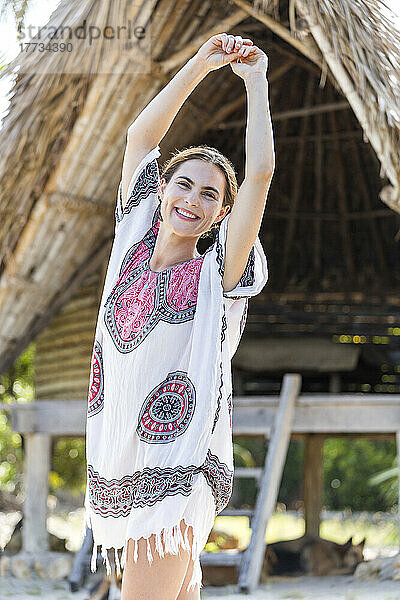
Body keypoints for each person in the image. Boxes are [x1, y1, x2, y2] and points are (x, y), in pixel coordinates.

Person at [82, 32, 275, 600]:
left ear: (220, 214)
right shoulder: (131, 241)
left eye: (210, 195)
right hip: (123, 472)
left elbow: (260, 173)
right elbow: (142, 134)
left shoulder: (218, 275)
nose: (192, 198)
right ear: (161, 189)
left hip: (175, 474)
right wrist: (200, 63)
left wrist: (256, 82)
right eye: (183, 183)